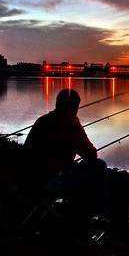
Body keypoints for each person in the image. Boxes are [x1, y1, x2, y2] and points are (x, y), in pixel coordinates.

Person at [22, 89, 107, 218]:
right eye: (76, 107)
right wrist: (77, 126)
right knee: (99, 166)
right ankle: (96, 212)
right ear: (73, 107)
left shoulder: (42, 120)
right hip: (51, 181)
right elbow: (91, 155)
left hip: (29, 176)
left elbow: (27, 151)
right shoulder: (71, 126)